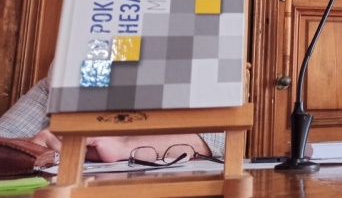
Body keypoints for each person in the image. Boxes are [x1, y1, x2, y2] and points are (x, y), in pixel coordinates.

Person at [0, 68, 224, 163]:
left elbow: (219, 138)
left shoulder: (193, 65)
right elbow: (4, 136)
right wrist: (33, 146)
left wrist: (124, 146)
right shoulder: (61, 75)